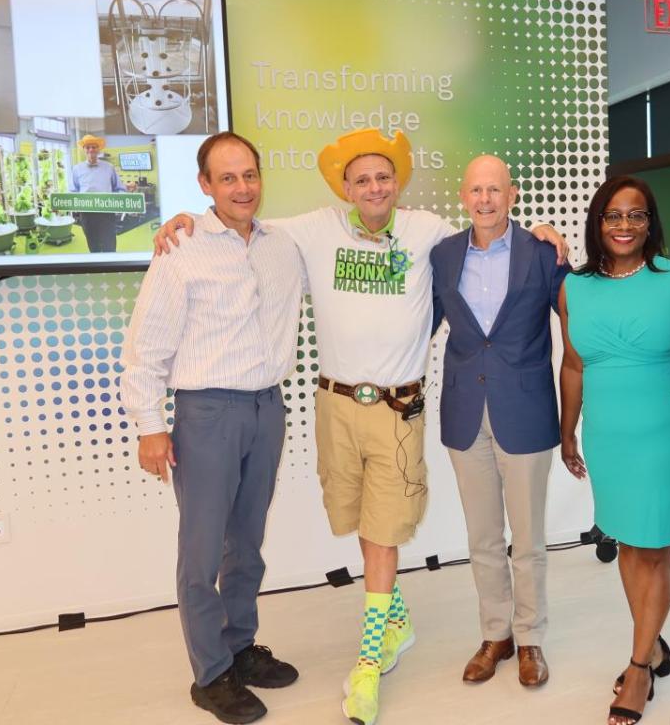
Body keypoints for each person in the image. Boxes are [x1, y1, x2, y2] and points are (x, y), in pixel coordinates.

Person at [153, 128, 567, 725]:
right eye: (361, 178)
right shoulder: (310, 230)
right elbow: (240, 221)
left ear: (399, 182)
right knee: (358, 523)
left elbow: (505, 247)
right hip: (335, 408)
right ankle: (394, 623)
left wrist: (545, 233)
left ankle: (369, 660)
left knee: (385, 531)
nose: (374, 187)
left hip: (398, 411)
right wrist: (187, 220)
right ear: (344, 186)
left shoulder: (428, 233)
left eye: (384, 176)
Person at [121, 132, 306, 724]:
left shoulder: (283, 244)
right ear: (205, 185)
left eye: (249, 174)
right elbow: (145, 347)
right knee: (201, 552)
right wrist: (151, 426)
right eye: (227, 178)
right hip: (206, 413)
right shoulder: (182, 248)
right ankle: (210, 674)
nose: (242, 187)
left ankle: (239, 647)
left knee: (246, 542)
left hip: (266, 409)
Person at [557, 175, 670, 725]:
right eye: (613, 215)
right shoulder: (574, 287)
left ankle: (640, 666)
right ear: (598, 222)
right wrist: (566, 430)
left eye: (636, 215)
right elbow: (573, 364)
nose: (624, 225)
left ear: (651, 223)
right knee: (625, 541)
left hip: (664, 432)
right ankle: (655, 644)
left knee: (652, 546)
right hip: (608, 436)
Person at [429, 155, 568, 688]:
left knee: (528, 538)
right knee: (483, 536)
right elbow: (416, 321)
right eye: (475, 191)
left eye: (494, 190)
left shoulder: (542, 252)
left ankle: (530, 638)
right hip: (466, 412)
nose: (484, 200)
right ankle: (496, 634)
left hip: (527, 411)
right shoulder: (442, 256)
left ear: (512, 194)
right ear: (463, 197)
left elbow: (582, 314)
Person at [68, 134, 132, 253]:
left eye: (94, 147)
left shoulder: (109, 167)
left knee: (110, 245)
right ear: (84, 149)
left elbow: (119, 188)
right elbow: (73, 191)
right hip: (87, 214)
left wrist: (122, 196)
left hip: (107, 213)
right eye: (88, 147)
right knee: (93, 245)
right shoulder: (77, 169)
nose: (91, 150)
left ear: (98, 149)